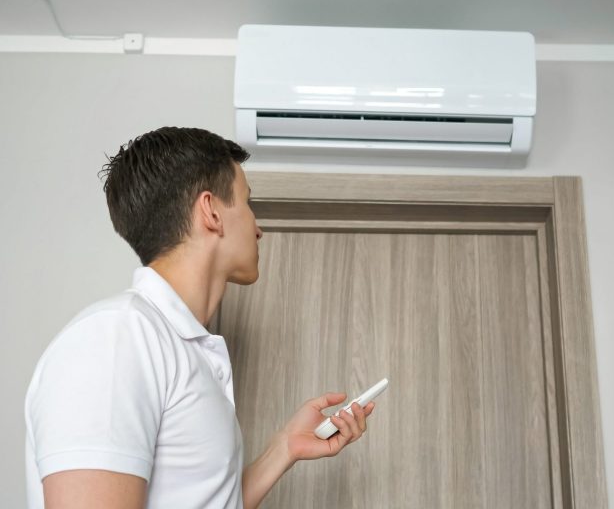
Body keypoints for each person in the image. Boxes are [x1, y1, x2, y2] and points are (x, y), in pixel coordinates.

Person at [24, 126, 374, 508]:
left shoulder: (181, 348)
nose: (258, 228)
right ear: (211, 211)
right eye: (246, 202)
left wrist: (284, 448)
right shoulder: (116, 339)